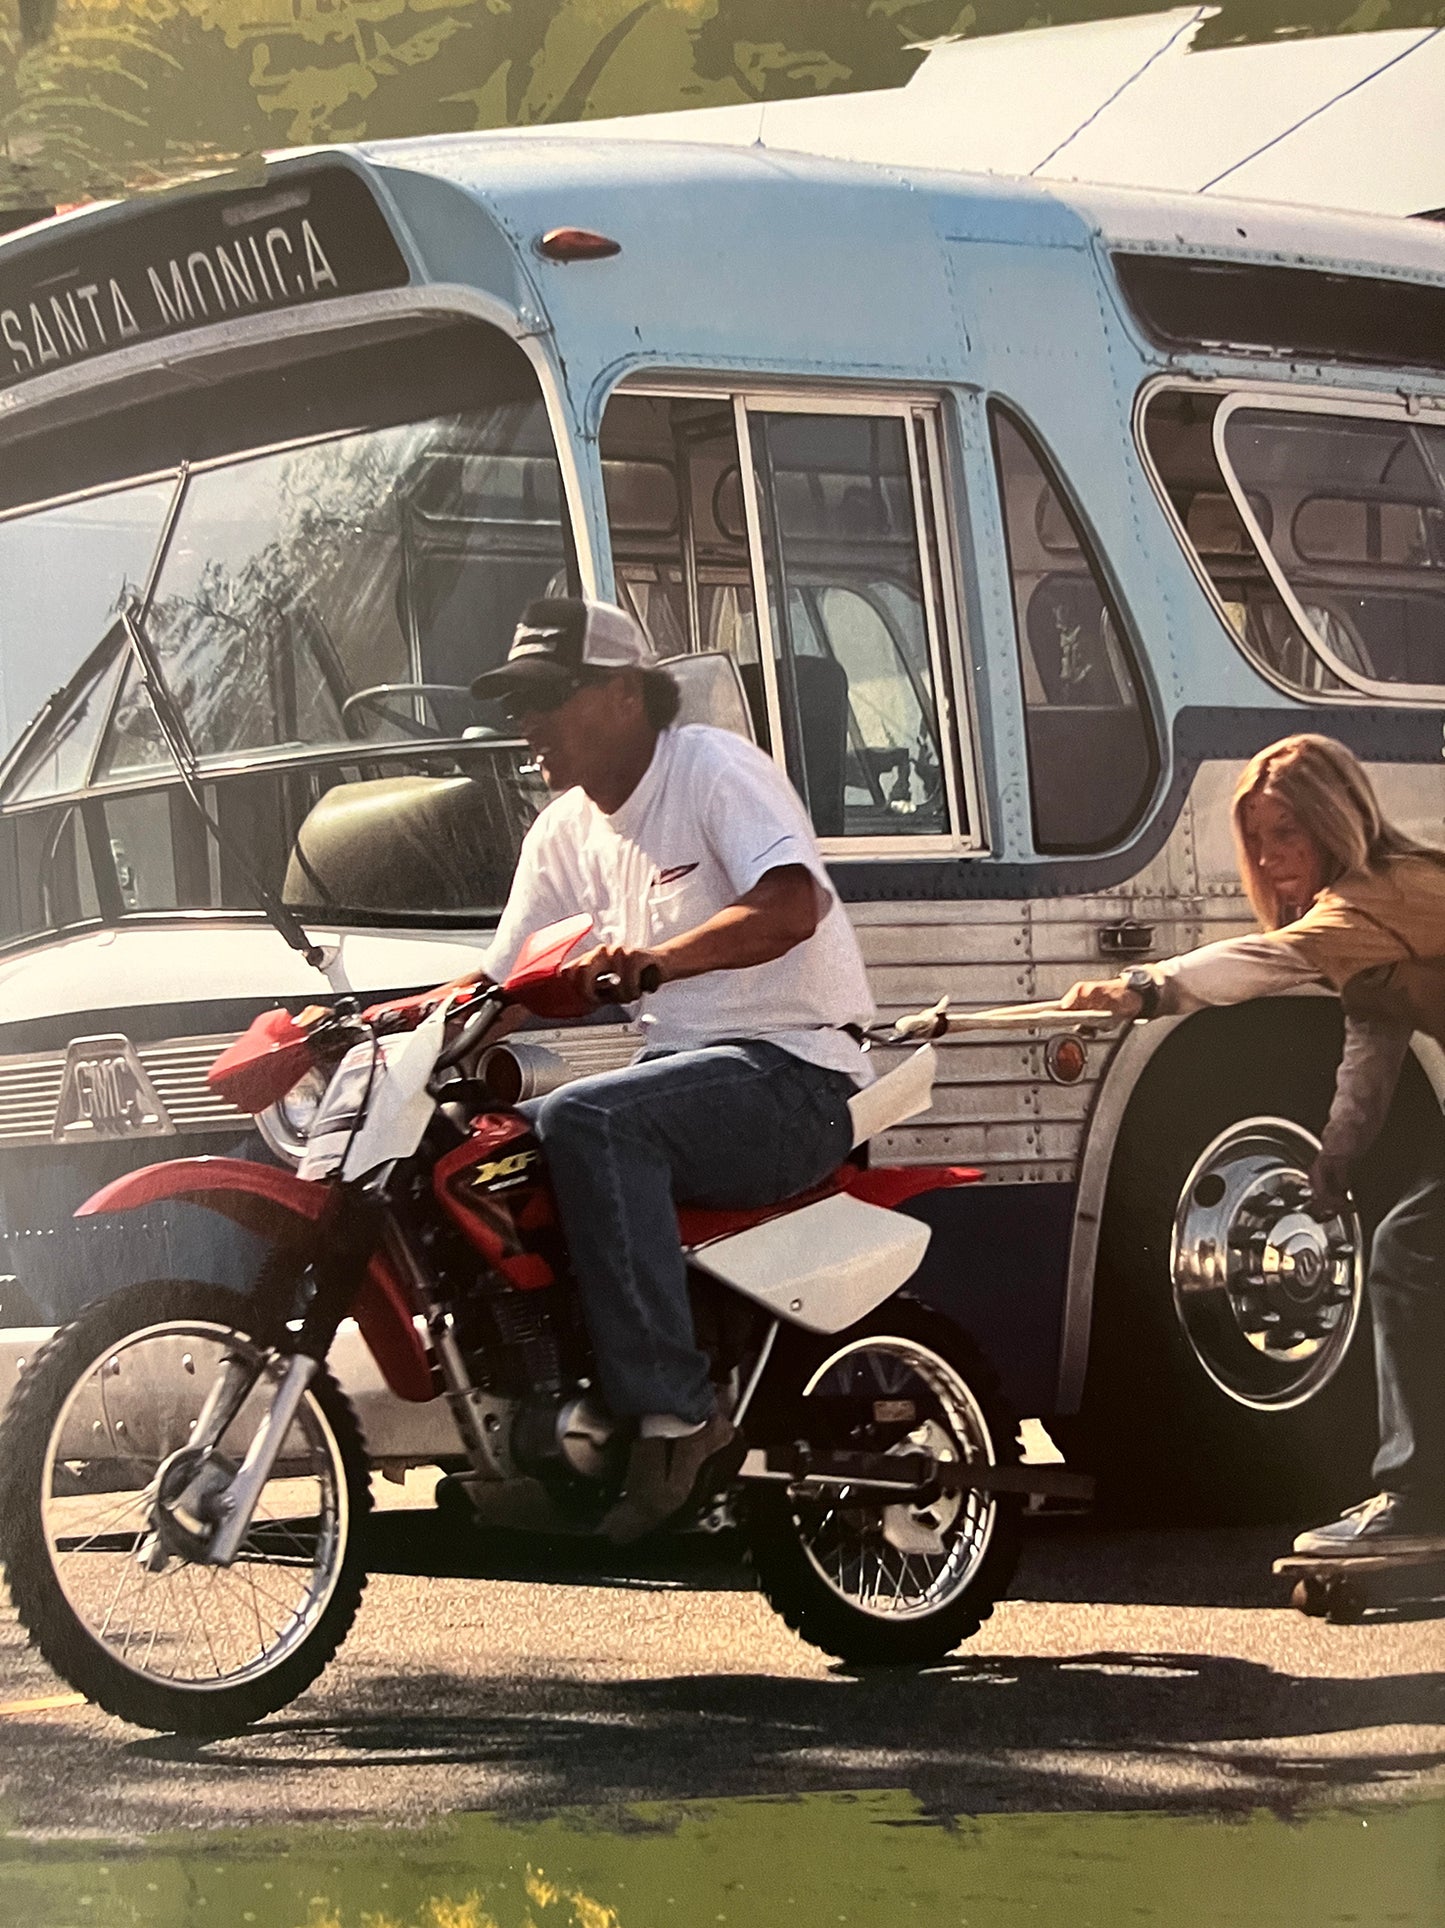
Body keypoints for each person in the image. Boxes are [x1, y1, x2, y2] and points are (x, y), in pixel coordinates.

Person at [468, 596, 875, 1542]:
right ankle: (557, 1436)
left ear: (622, 696)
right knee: (486, 1155)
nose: (525, 723)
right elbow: (501, 984)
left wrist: (662, 959)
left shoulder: (713, 769)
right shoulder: (563, 831)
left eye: (544, 696)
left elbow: (790, 908)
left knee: (587, 1118)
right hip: (686, 1079)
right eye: (515, 702)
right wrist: (378, 1029)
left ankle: (677, 1417)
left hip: (793, 1075)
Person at [1061, 734, 1445, 1555]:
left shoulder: (1376, 896)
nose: (1269, 862)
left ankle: (1417, 1503)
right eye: (1258, 841)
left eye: (1288, 836)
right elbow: (1372, 1043)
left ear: (1334, 826)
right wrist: (1338, 1151)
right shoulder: (1368, 922)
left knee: (1408, 1254)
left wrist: (1147, 985)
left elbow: (1264, 962)